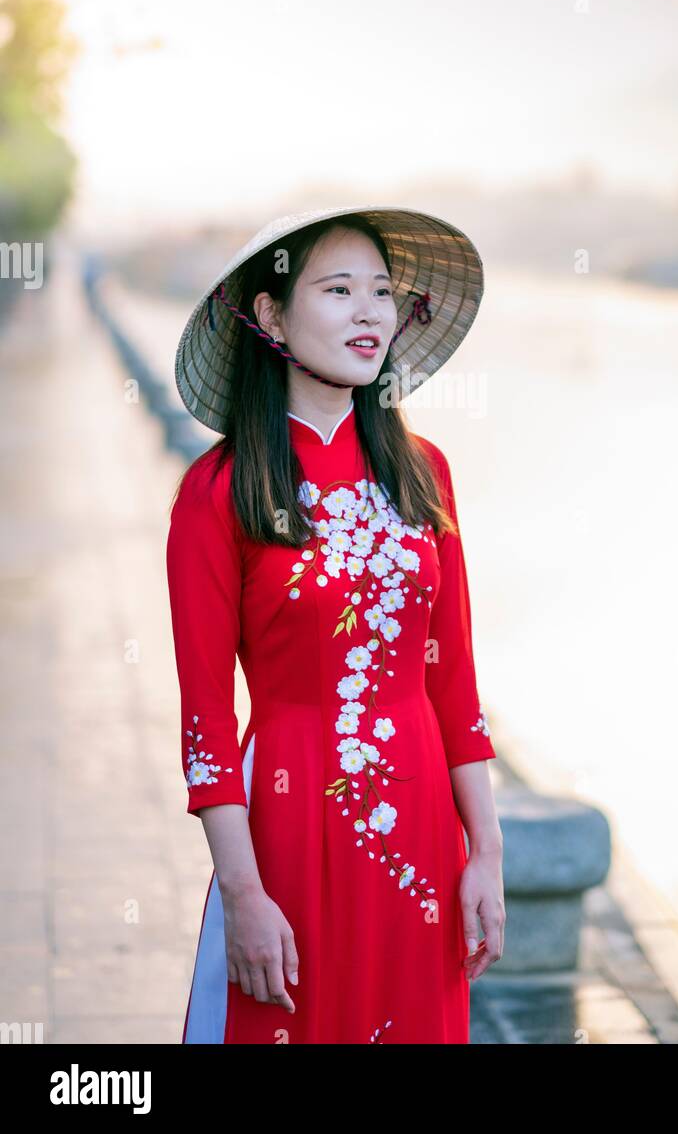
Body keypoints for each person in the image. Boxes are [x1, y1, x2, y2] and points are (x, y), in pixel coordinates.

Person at [166, 205, 504, 1044]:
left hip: (421, 826)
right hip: (289, 824)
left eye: (383, 292)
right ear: (271, 315)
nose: (369, 312)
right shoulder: (220, 493)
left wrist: (487, 854)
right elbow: (206, 721)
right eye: (340, 289)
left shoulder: (426, 476)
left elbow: (453, 680)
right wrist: (244, 893)